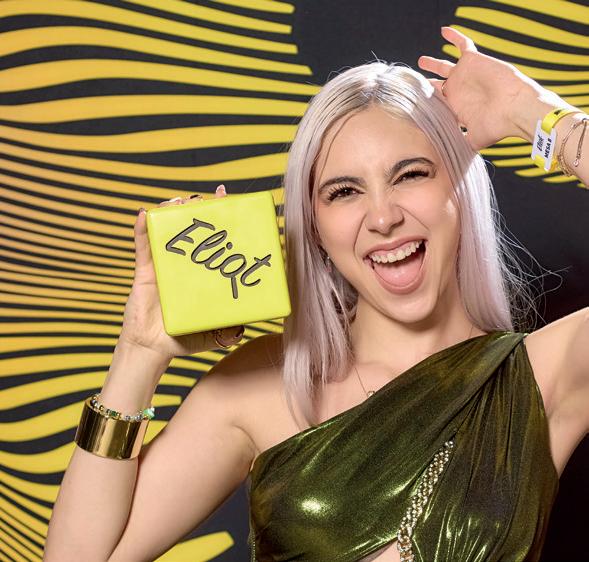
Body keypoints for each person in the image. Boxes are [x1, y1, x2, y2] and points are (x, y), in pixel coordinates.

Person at [44, 27, 588, 562]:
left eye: (410, 175)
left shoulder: (548, 373)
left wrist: (533, 112)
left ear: (460, 189)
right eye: (344, 191)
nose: (382, 217)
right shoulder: (258, 387)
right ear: (316, 229)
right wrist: (139, 354)